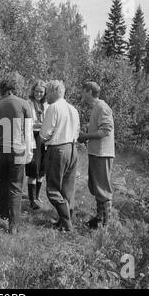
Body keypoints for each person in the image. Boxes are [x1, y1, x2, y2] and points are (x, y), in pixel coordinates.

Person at [0, 72, 34, 234]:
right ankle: (13, 225)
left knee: (4, 181)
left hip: (1, 148)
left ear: (2, 86)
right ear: (17, 86)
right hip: (17, 148)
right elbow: (28, 131)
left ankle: (2, 212)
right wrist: (29, 151)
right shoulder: (24, 104)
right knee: (16, 186)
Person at [40, 80, 80, 232]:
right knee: (67, 189)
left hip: (58, 150)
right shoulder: (73, 108)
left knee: (53, 189)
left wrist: (42, 140)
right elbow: (77, 131)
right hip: (72, 148)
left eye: (47, 92)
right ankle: (64, 221)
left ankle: (67, 223)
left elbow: (45, 133)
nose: (45, 96)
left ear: (54, 91)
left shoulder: (53, 107)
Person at [78, 81, 115, 229]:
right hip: (96, 153)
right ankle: (99, 219)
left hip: (102, 154)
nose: (81, 94)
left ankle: (105, 225)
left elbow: (106, 131)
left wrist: (86, 136)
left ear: (88, 91)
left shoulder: (102, 107)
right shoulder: (96, 107)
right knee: (96, 187)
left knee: (103, 189)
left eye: (83, 91)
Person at [25, 80, 49, 210]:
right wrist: (39, 125)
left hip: (44, 139)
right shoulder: (28, 104)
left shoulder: (47, 105)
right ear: (33, 91)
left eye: (41, 91)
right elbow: (27, 122)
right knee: (33, 168)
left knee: (41, 170)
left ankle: (38, 195)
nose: (38, 94)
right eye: (36, 91)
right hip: (32, 137)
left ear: (45, 93)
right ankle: (31, 200)